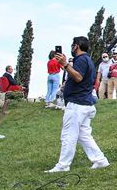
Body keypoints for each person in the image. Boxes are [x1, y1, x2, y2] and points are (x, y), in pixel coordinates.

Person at [46, 36, 109, 172]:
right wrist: (66, 66)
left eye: (73, 45)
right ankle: (100, 160)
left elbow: (78, 77)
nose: (72, 47)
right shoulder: (87, 60)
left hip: (77, 104)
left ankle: (63, 165)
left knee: (68, 135)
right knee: (83, 135)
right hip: (85, 103)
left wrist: (66, 64)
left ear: (77, 46)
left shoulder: (80, 59)